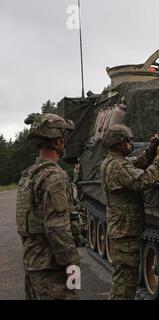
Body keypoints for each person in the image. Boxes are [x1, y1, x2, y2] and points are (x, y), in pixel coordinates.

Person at [16, 113, 81, 300]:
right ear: (59, 141)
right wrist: (72, 264)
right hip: (53, 269)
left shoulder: (28, 175)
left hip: (33, 265)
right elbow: (57, 227)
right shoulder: (54, 177)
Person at [100, 124, 159, 300]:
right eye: (127, 141)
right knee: (125, 279)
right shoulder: (117, 166)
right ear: (117, 143)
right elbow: (143, 180)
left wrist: (151, 150)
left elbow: (136, 163)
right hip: (125, 231)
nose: (131, 143)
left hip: (123, 228)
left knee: (123, 277)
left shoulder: (113, 162)